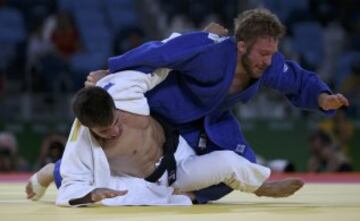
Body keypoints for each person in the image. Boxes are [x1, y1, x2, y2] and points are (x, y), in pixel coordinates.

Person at [94, 8, 349, 203]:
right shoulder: (208, 50)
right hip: (165, 111)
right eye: (263, 54)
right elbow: (159, 52)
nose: (268, 61)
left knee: (242, 163)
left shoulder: (265, 65)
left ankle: (191, 195)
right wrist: (111, 70)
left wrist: (321, 97)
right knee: (132, 157)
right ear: (241, 46)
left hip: (208, 121)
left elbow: (296, 78)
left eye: (272, 53)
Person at [26, 70, 303, 206]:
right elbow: (72, 191)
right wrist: (90, 193)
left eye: (114, 122)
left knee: (229, 161)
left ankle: (261, 186)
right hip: (150, 180)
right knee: (70, 176)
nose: (114, 132)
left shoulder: (122, 87)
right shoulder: (81, 140)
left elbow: (161, 59)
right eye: (104, 133)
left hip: (177, 152)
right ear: (88, 128)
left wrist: (202, 40)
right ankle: (49, 171)